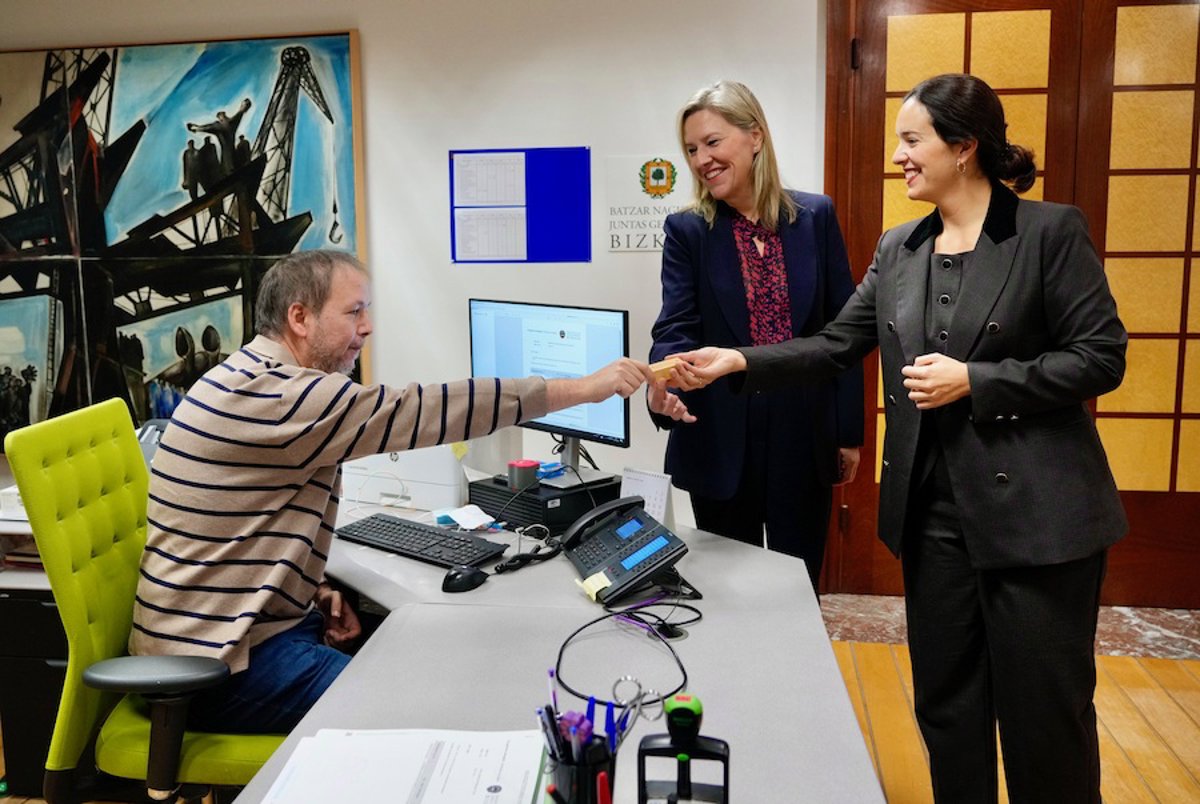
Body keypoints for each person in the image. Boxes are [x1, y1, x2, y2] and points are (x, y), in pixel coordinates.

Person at [665, 74, 1128, 803]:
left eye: (912, 140)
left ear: (964, 147)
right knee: (947, 706)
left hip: (1038, 519)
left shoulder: (1048, 232)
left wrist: (977, 380)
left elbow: (1100, 358)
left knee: (1044, 715)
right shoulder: (900, 248)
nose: (899, 156)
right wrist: (739, 361)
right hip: (933, 516)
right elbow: (834, 344)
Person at [130, 249, 654, 734]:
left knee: (412, 660)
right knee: (411, 709)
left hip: (228, 634)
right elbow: (423, 410)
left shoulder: (243, 376)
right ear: (300, 318)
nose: (367, 327)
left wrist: (313, 590)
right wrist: (582, 389)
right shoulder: (284, 396)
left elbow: (241, 526)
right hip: (216, 666)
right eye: (353, 312)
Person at [647, 80, 863, 590]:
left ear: (755, 137)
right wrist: (664, 379)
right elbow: (675, 325)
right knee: (730, 594)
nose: (702, 159)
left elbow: (844, 331)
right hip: (720, 439)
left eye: (712, 142)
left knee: (798, 587)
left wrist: (848, 432)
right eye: (692, 149)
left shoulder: (815, 216)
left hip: (802, 436)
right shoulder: (687, 230)